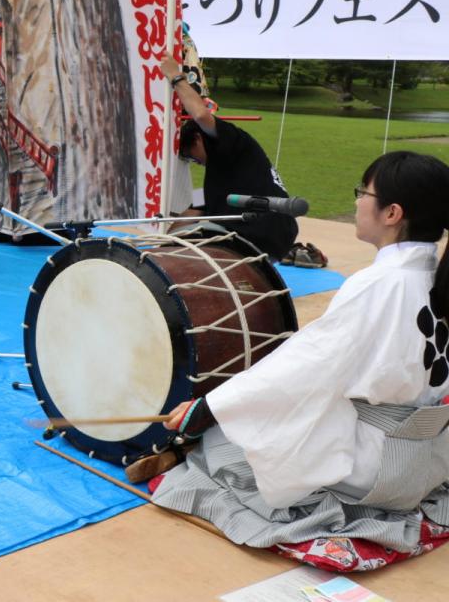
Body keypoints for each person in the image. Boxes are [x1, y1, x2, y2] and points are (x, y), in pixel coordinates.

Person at [153, 151, 449, 565]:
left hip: (376, 470)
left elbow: (302, 369)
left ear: (392, 213)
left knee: (223, 449)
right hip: (425, 459)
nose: (357, 201)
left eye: (363, 192)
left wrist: (211, 407)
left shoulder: (380, 285)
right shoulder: (433, 277)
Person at [166, 55, 298, 261]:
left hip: (262, 228)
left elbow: (201, 115)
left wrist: (175, 76)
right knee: (178, 245)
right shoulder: (219, 179)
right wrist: (162, 241)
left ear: (198, 138)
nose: (197, 163)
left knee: (187, 255)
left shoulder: (233, 139)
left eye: (191, 156)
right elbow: (193, 211)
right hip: (273, 233)